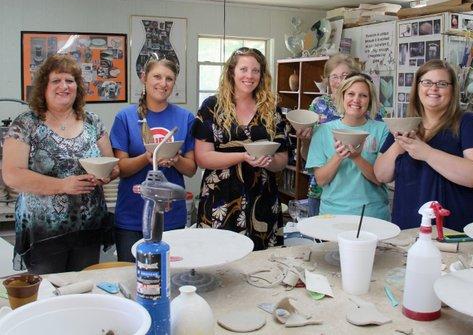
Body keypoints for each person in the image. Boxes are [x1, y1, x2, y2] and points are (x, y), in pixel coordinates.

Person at [2, 54, 118, 274]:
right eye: (56, 81)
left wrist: (106, 175)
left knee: (84, 288)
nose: (64, 86)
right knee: (50, 294)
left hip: (88, 227)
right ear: (44, 87)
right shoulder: (26, 124)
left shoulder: (92, 121)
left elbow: (112, 165)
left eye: (70, 81)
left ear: (77, 87)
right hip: (45, 232)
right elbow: (12, 174)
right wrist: (63, 186)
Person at [374, 59, 473, 231]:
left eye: (442, 83)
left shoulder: (469, 123)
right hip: (411, 228)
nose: (433, 88)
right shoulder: (405, 124)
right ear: (417, 88)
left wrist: (427, 153)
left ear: (453, 89)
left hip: (459, 230)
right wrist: (400, 144)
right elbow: (381, 175)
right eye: (427, 82)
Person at [193, 47, 288, 250]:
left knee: (262, 267)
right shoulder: (212, 107)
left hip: (262, 198)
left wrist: (269, 161)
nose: (249, 76)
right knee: (218, 261)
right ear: (232, 72)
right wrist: (243, 156)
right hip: (220, 199)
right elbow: (203, 157)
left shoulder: (271, 109)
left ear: (262, 75)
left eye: (256, 70)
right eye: (243, 69)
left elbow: (282, 159)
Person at [110, 58, 196, 262]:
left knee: (169, 277)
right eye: (157, 76)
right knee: (131, 279)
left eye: (169, 79)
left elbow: (191, 168)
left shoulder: (185, 118)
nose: (163, 83)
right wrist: (148, 157)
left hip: (171, 215)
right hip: (132, 217)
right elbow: (120, 168)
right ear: (143, 78)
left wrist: (175, 159)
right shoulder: (125, 117)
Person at [299, 54, 384, 214]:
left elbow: (382, 176)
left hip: (370, 206)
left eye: (345, 76)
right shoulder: (320, 110)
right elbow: (312, 162)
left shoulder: (380, 125)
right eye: (335, 76)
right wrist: (305, 141)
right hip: (328, 196)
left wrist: (357, 157)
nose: (356, 100)